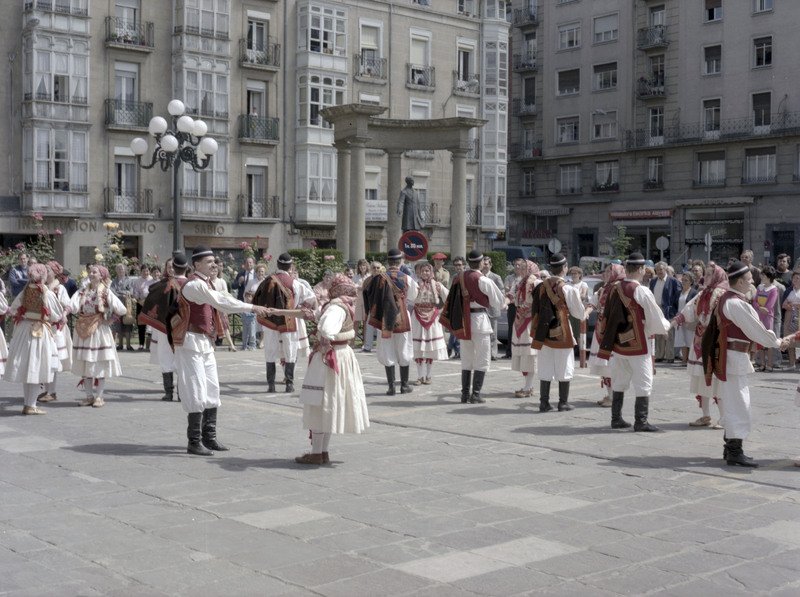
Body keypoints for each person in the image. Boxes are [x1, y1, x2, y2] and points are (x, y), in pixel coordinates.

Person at [171, 245, 269, 455]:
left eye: (214, 261)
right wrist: (252, 307)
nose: (213, 264)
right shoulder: (194, 285)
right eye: (209, 262)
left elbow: (220, 301)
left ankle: (209, 437)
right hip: (190, 342)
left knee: (212, 387)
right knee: (196, 388)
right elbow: (222, 302)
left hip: (204, 341)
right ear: (197, 265)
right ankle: (194, 441)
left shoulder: (207, 283)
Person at [268, 274, 370, 465]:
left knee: (319, 402)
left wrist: (324, 340)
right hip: (341, 355)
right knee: (328, 403)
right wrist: (280, 311)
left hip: (329, 357)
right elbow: (310, 315)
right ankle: (322, 451)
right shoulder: (344, 305)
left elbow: (326, 327)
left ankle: (317, 453)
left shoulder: (335, 307)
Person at [702, 261, 786, 467]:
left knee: (734, 402)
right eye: (749, 280)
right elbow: (756, 330)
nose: (752, 283)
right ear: (739, 282)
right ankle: (734, 451)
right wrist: (777, 342)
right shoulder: (736, 303)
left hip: (731, 358)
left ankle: (730, 448)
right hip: (733, 358)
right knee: (739, 404)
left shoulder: (727, 299)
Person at [598, 253, 671, 431]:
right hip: (638, 342)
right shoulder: (641, 290)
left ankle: (616, 419)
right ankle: (641, 421)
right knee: (644, 382)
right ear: (640, 269)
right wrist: (664, 327)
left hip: (618, 343)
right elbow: (654, 315)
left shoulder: (614, 288)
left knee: (619, 380)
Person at [440, 249, 505, 404]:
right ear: (481, 263)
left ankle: (464, 394)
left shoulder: (459, 278)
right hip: (480, 320)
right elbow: (499, 302)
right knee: (482, 358)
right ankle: (475, 394)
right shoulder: (483, 280)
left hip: (463, 321)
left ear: (468, 263)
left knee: (466, 358)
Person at [672, 263, 728, 428]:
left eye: (710, 274)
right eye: (706, 274)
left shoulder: (723, 295)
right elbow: (689, 309)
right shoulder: (703, 293)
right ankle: (705, 416)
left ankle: (724, 418)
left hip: (715, 341)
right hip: (699, 340)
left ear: (717, 276)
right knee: (700, 378)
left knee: (717, 381)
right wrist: (673, 323)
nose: (706, 277)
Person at [529, 254, 586, 412]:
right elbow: (579, 314)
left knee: (545, 365)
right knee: (564, 366)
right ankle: (563, 402)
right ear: (564, 268)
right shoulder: (567, 288)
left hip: (542, 331)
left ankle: (544, 403)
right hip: (562, 331)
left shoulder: (540, 286)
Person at [3, 263, 63, 415]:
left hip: (24, 330)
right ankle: (31, 405)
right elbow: (57, 315)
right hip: (40, 330)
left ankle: (28, 404)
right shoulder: (47, 293)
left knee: (28, 367)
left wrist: (25, 315)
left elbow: (14, 308)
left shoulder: (25, 291)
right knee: (36, 366)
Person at [253, 253, 316, 393]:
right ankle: (289, 385)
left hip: (270, 320)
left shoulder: (268, 280)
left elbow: (256, 297)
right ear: (291, 266)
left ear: (277, 265)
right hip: (289, 320)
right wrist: (300, 307)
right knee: (290, 352)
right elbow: (312, 298)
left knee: (270, 352)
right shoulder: (295, 283)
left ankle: (271, 385)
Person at [70, 264, 127, 408]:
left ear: (101, 276)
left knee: (99, 364)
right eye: (90, 272)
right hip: (83, 330)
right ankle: (89, 396)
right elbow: (72, 306)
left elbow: (121, 309)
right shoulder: (83, 291)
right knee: (86, 364)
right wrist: (66, 311)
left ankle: (100, 397)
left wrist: (110, 320)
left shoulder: (105, 291)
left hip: (99, 330)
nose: (91, 274)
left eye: (94, 272)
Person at [363, 248, 418, 395]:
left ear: (387, 262)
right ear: (400, 261)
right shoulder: (407, 278)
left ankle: (391, 386)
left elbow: (369, 295)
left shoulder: (378, 278)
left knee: (387, 349)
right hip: (402, 316)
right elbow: (413, 296)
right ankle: (404, 386)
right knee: (404, 348)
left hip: (384, 318)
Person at [140, 255, 189, 402]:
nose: (171, 269)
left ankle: (181, 393)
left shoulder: (187, 284)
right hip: (164, 328)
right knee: (166, 358)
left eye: (173, 267)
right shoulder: (161, 285)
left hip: (182, 328)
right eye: (169, 267)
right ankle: (169, 392)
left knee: (181, 360)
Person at [586, 263, 626, 407]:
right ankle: (610, 394)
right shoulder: (603, 289)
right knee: (604, 365)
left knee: (613, 365)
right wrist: (586, 313)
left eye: (610, 271)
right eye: (606, 271)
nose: (606, 274)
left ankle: (615, 396)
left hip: (614, 330)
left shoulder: (622, 289)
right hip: (601, 330)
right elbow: (593, 304)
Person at [37, 261, 73, 403]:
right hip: (44, 327)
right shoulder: (42, 287)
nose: (45, 272)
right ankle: (47, 390)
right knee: (45, 359)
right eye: (44, 270)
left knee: (52, 359)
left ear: (55, 273)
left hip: (55, 328)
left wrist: (63, 315)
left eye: (48, 270)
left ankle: (52, 391)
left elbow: (68, 305)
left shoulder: (59, 288)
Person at [410, 261, 449, 385]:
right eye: (422, 271)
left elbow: (449, 298)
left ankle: (428, 375)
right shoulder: (416, 284)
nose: (425, 273)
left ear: (431, 271)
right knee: (418, 348)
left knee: (430, 348)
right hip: (417, 317)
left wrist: (441, 311)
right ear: (419, 272)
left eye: (427, 271)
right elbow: (408, 299)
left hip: (433, 317)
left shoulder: (437, 285)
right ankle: (419, 376)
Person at [509, 259, 540, 398]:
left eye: (523, 268)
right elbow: (510, 296)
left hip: (530, 321)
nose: (520, 270)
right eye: (520, 268)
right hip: (520, 320)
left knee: (529, 354)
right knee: (523, 354)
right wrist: (503, 303)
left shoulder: (536, 283)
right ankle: (528, 385)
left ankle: (528, 387)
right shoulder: (519, 283)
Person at [752, 266, 778, 372]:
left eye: (763, 275)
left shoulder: (773, 289)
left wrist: (761, 309)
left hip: (768, 318)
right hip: (759, 316)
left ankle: (770, 364)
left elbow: (769, 306)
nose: (761, 277)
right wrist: (759, 308)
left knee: (768, 340)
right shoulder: (759, 287)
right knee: (760, 340)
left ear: (768, 277)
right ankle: (762, 364)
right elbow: (755, 301)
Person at [480, 256, 504, 361]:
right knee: (482, 333)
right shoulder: (479, 276)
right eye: (483, 264)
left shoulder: (496, 277)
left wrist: (497, 301)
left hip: (493, 309)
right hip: (481, 309)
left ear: (490, 265)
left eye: (486, 264)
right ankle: (484, 353)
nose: (484, 266)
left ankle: (493, 354)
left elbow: (502, 291)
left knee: (493, 333)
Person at [674, 272, 698, 366]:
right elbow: (674, 304)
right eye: (682, 280)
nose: (683, 282)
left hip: (689, 319)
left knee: (689, 339)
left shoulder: (694, 293)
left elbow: (696, 306)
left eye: (686, 280)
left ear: (691, 282)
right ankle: (684, 359)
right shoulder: (678, 292)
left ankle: (690, 360)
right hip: (680, 319)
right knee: (682, 340)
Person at [111, 263, 135, 351]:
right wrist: (123, 293)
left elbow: (130, 292)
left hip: (127, 305)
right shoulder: (114, 281)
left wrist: (119, 292)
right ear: (116, 271)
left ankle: (128, 345)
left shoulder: (129, 281)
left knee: (127, 324)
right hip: (117, 305)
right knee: (118, 324)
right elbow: (112, 292)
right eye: (119, 269)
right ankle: (120, 345)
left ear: (125, 270)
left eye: (122, 269)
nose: (120, 271)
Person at [504, 258, 524, 359]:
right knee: (511, 328)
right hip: (512, 305)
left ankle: (519, 351)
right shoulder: (509, 277)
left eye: (519, 265)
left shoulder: (524, 278)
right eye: (515, 265)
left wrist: (512, 287)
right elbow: (507, 289)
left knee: (521, 328)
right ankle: (509, 351)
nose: (517, 267)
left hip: (521, 306)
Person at [447, 257, 466, 359]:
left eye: (459, 265)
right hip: (455, 306)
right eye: (456, 265)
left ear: (464, 265)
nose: (457, 267)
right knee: (453, 329)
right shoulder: (455, 276)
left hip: (464, 307)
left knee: (459, 329)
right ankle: (451, 348)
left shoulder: (467, 276)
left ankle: (455, 350)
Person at [782, 270, 800, 370]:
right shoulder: (789, 290)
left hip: (799, 317)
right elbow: (784, 305)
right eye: (794, 278)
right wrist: (794, 306)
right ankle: (791, 363)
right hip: (789, 318)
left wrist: (792, 304)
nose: (795, 280)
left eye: (798, 278)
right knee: (789, 340)